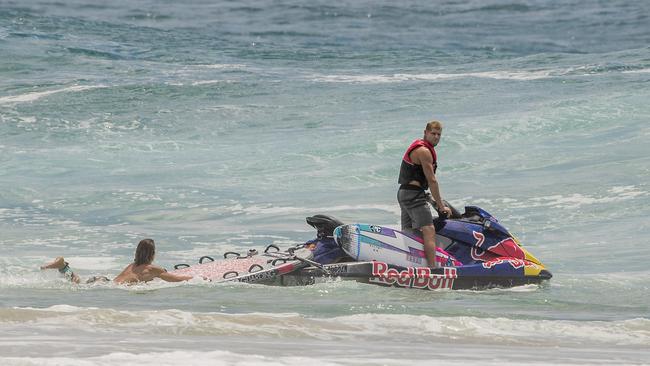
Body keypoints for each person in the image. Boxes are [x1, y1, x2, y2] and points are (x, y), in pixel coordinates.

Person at [397, 120, 452, 268]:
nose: (436, 137)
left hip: (404, 193)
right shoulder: (424, 151)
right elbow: (432, 181)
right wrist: (441, 206)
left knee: (409, 231)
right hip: (413, 195)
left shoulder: (421, 147)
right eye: (433, 133)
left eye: (438, 135)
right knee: (429, 230)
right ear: (425, 133)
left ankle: (409, 264)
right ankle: (432, 269)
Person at [40, 238, 193, 284]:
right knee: (77, 284)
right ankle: (62, 265)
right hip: (107, 287)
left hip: (104, 281)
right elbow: (176, 279)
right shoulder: (153, 269)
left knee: (77, 282)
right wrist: (197, 278)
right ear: (152, 253)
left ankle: (62, 265)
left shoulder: (132, 265)